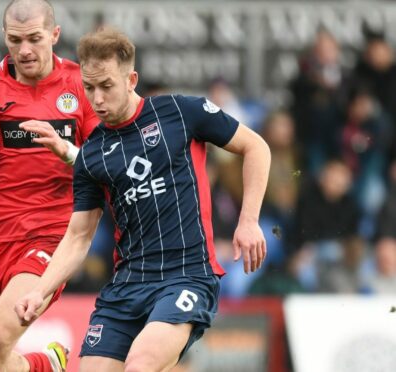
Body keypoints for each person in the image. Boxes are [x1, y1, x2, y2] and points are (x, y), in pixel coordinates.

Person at [15, 28, 270, 371]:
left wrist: (249, 220)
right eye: (89, 88)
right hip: (126, 285)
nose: (98, 99)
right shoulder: (91, 154)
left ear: (131, 78)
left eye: (106, 86)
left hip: (186, 275)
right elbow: (77, 237)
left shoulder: (182, 112)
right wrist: (40, 290)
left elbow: (256, 147)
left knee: (140, 364)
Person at [0, 0, 99, 371]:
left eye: (34, 39)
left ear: (54, 35)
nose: (24, 50)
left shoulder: (80, 84)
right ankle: (47, 365)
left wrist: (67, 151)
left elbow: (106, 162)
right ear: (4, 38)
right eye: (15, 40)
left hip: (50, 237)